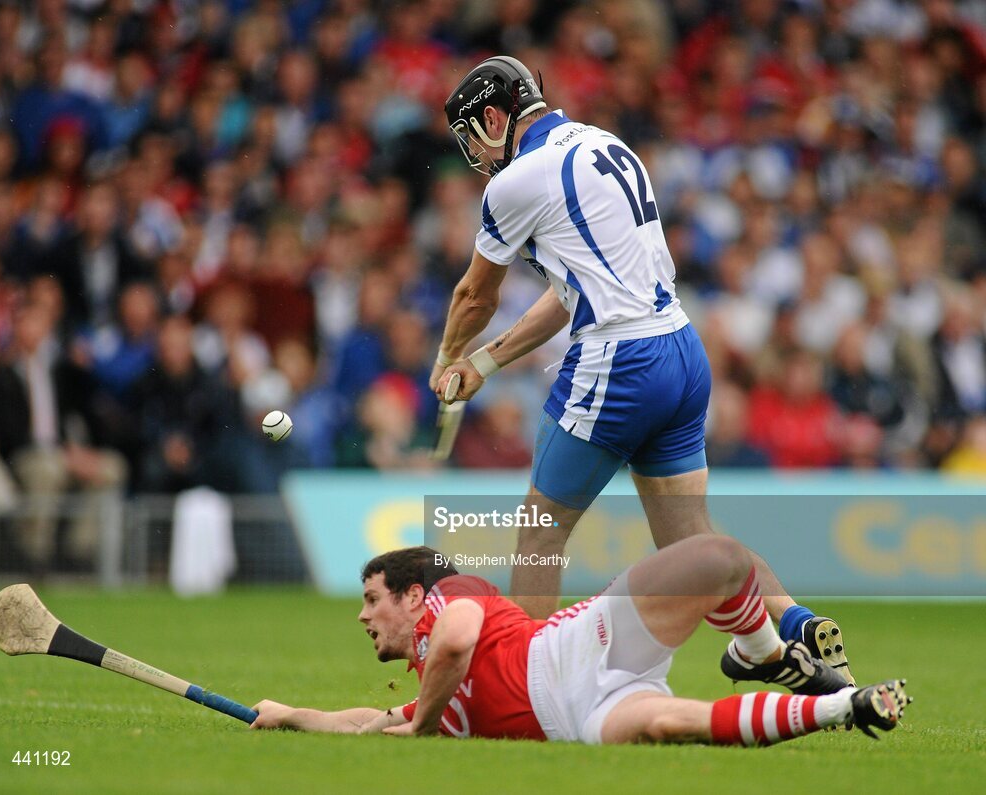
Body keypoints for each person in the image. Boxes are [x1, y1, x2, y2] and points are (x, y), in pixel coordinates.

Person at [426, 55, 854, 682]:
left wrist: (445, 359)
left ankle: (520, 689)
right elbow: (569, 294)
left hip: (620, 361)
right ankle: (794, 632)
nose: (474, 153)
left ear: (494, 117)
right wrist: (485, 361)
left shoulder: (513, 182)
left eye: (471, 135)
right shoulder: (606, 142)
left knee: (539, 533)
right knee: (692, 542)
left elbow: (473, 296)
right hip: (682, 350)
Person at [250, 544, 910, 744]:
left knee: (720, 560)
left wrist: (419, 720)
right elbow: (367, 721)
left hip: (581, 647)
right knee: (682, 723)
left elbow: (453, 645)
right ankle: (848, 705)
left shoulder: (454, 592)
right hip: (582, 722)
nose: (363, 617)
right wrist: (290, 715)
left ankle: (763, 653)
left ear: (413, 594)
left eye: (371, 599)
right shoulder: (434, 699)